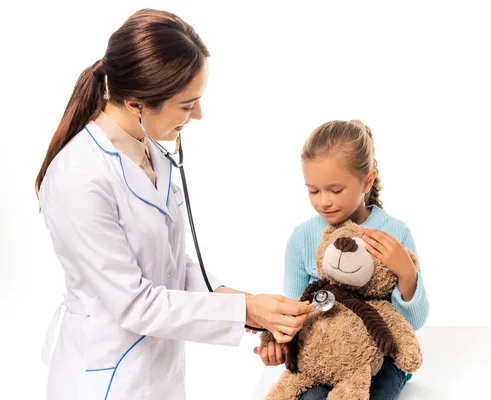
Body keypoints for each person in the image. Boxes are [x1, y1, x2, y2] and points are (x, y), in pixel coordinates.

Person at [35, 8, 313, 400]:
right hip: (106, 379)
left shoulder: (151, 152)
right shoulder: (77, 177)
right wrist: (247, 310)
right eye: (187, 105)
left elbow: (170, 265)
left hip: (158, 373)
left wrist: (253, 306)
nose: (198, 115)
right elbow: (135, 304)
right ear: (136, 103)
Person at [253, 119, 430, 399]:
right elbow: (292, 308)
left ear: (367, 181)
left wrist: (407, 274)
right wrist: (278, 342)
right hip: (324, 354)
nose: (324, 201)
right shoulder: (302, 238)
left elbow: (413, 322)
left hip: (378, 354)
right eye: (313, 190)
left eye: (335, 190)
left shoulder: (395, 233)